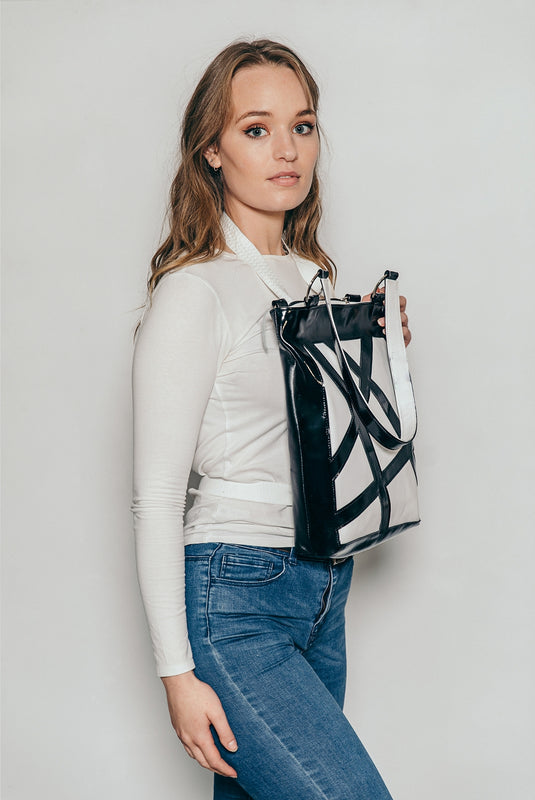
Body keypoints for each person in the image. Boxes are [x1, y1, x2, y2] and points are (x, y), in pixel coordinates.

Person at [131, 39, 411, 800]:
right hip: (236, 597)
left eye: (303, 125)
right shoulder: (194, 292)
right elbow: (157, 496)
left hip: (325, 584)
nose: (287, 150)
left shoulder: (313, 277)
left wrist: (377, 353)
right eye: (256, 129)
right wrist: (176, 674)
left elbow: (325, 447)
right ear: (211, 151)